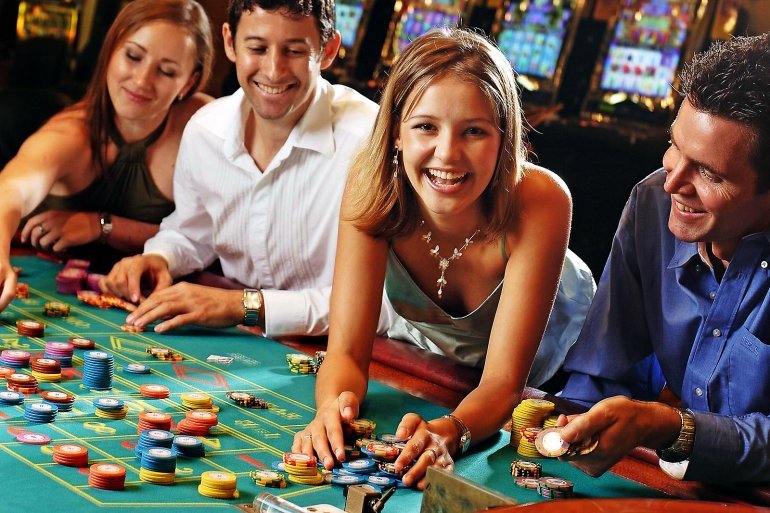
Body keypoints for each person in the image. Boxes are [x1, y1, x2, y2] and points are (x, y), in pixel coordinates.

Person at [294, 28, 594, 489]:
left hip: (565, 372)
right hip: (446, 364)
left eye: (474, 131)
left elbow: (503, 383)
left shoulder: (542, 200)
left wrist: (447, 432)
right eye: (425, 127)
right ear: (395, 132)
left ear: (504, 139)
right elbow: (348, 351)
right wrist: (334, 408)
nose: (447, 153)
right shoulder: (372, 185)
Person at [99, 0, 389, 338]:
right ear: (229, 41)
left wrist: (245, 305)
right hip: (241, 341)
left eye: (294, 51)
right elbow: (194, 231)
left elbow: (387, 306)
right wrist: (160, 257)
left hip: (346, 353)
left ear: (328, 50)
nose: (273, 70)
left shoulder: (371, 143)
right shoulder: (205, 130)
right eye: (257, 47)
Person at [557, 33, 770, 484]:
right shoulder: (652, 202)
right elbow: (602, 369)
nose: (673, 184)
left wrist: (675, 428)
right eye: (676, 147)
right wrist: (575, 427)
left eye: (709, 173)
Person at [0, 0, 214, 312]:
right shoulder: (70, 133)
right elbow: (10, 191)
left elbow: (219, 237)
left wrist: (101, 226)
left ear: (189, 82)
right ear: (110, 51)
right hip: (60, 291)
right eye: (133, 56)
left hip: (154, 302)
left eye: (166, 71)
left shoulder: (203, 126)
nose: (142, 81)